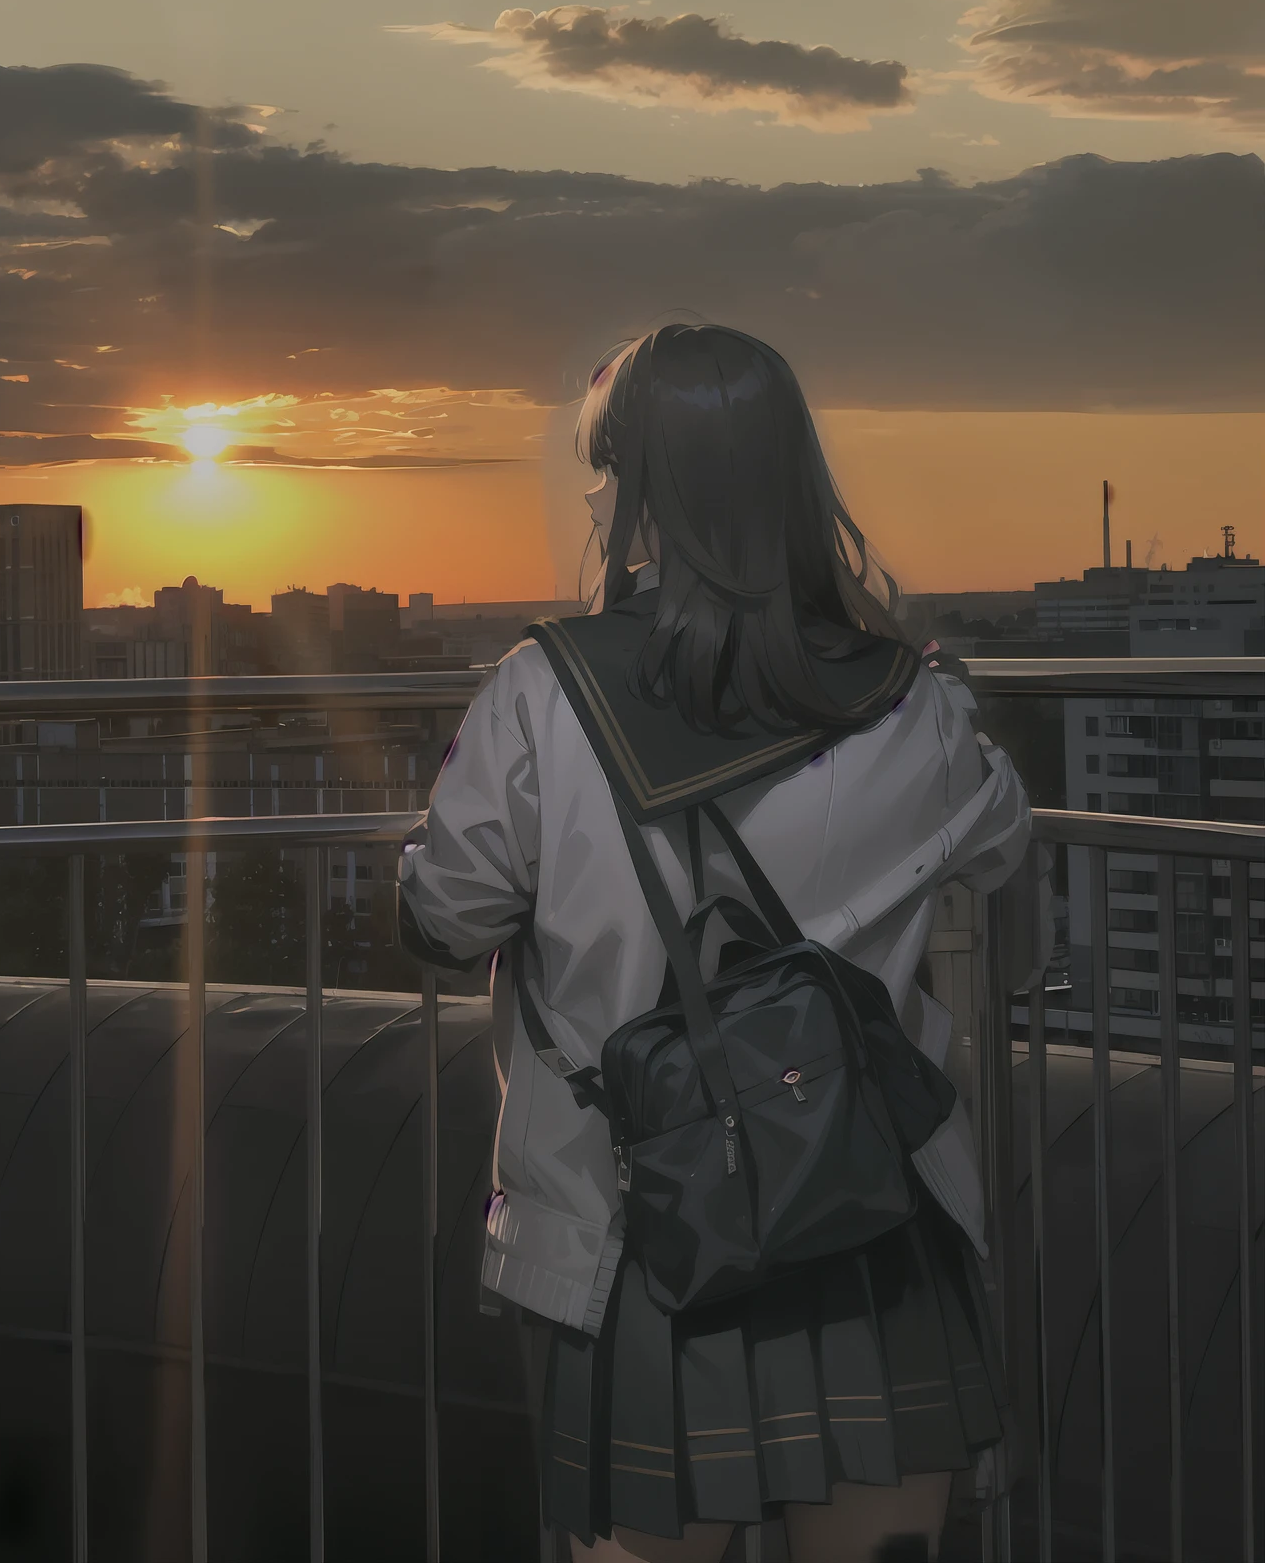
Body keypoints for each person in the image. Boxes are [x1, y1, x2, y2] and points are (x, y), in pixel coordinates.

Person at [397, 325, 1039, 1563]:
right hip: (870, 1219)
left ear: (642, 492)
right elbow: (1001, 846)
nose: (589, 494)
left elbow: (446, 914)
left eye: (603, 467)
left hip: (643, 1232)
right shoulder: (916, 700)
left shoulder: (542, 691)